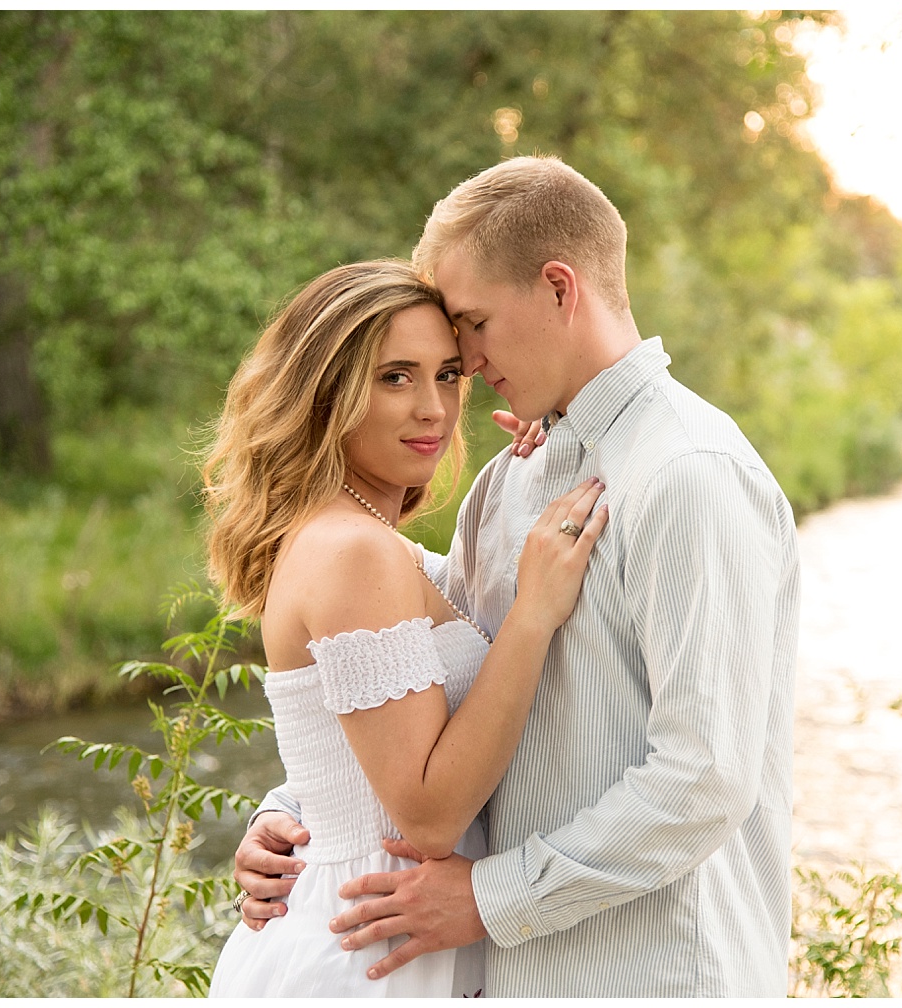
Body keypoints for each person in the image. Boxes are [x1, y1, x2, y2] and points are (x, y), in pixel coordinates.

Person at [235, 156, 801, 997]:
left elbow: (704, 778)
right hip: (501, 978)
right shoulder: (509, 484)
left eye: (473, 325)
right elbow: (426, 704)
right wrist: (295, 816)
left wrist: (490, 900)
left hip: (653, 975)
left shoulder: (690, 472)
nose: (461, 362)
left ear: (559, 289)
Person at [201, 259, 606, 997]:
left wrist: (548, 461)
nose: (433, 408)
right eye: (395, 377)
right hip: (368, 952)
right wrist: (534, 613)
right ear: (326, 393)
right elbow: (427, 816)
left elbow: (351, 754)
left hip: (383, 930)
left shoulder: (364, 542)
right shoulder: (354, 551)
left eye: (449, 375)